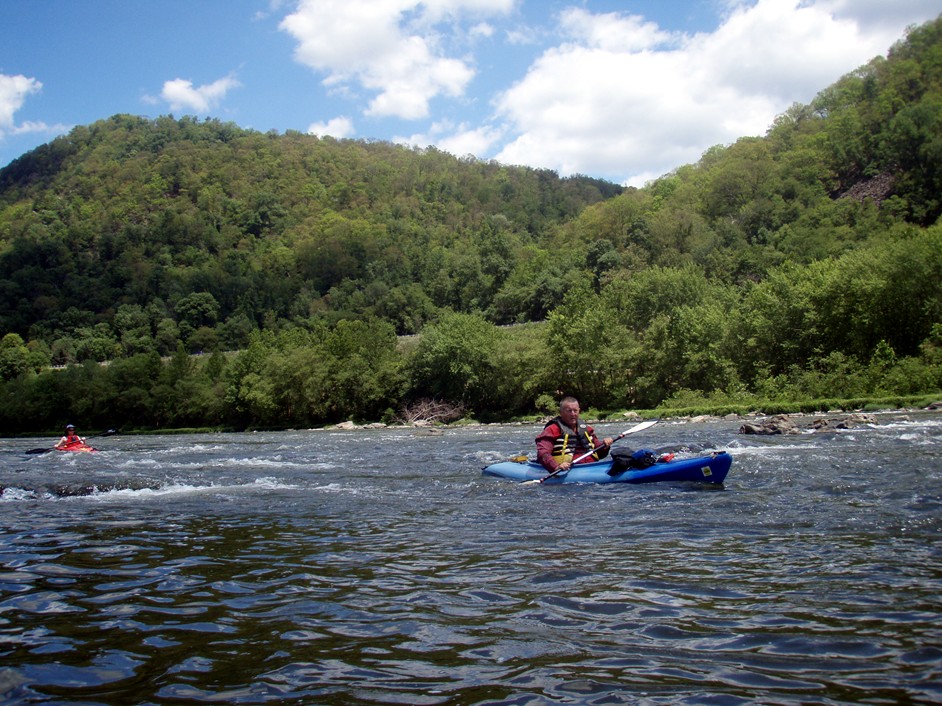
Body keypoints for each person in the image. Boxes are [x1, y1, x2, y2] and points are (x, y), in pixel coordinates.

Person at [536, 396, 613, 473]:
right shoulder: (552, 429)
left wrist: (605, 446)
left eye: (575, 410)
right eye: (569, 411)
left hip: (591, 466)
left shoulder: (587, 429)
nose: (573, 414)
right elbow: (543, 453)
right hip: (566, 469)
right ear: (561, 412)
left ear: (579, 411)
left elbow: (600, 454)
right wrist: (556, 466)